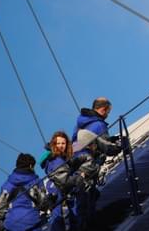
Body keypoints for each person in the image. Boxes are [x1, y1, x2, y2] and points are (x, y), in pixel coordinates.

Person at [71, 98, 121, 229]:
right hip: (88, 164)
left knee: (81, 199)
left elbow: (77, 144)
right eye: (108, 112)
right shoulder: (99, 125)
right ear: (103, 109)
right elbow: (106, 147)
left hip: (75, 163)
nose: (107, 115)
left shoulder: (80, 123)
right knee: (87, 200)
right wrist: (118, 146)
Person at [0, 153, 53, 231]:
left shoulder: (7, 185)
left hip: (11, 225)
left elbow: (0, 207)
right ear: (30, 166)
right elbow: (43, 203)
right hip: (32, 222)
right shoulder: (35, 182)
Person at [40, 131, 79, 231]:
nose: (61, 146)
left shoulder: (58, 158)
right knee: (65, 219)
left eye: (63, 143)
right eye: (58, 143)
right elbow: (64, 181)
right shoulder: (56, 160)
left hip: (58, 193)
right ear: (54, 144)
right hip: (59, 194)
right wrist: (79, 177)